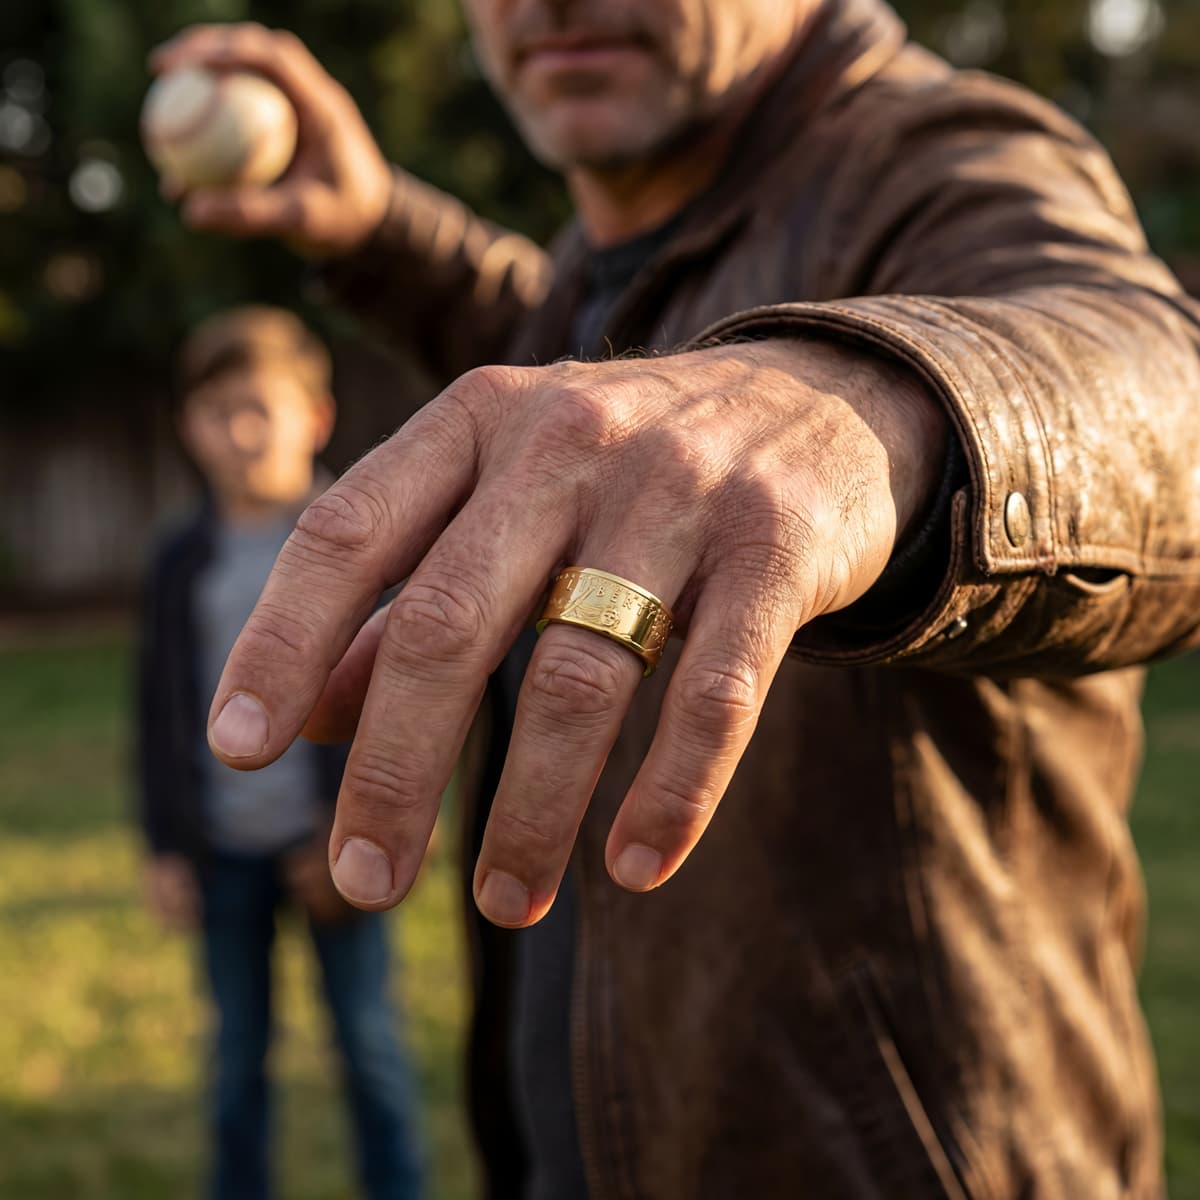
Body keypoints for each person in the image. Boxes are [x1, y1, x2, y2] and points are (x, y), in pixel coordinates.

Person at [150, 2, 1200, 1197]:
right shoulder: (632, 239)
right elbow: (552, 338)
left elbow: (1162, 386)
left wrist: (863, 408)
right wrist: (379, 229)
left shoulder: (942, 154)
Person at [136, 306, 423, 1200]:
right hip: (223, 854)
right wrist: (166, 846)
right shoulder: (179, 559)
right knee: (235, 1063)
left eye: (261, 407)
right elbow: (157, 712)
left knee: (369, 1055)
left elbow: (400, 701)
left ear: (317, 417)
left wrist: (348, 829)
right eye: (219, 411)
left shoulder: (368, 548)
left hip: (335, 852)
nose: (241, 431)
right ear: (190, 427)